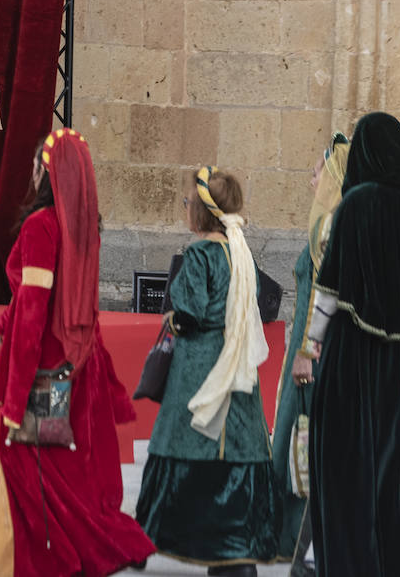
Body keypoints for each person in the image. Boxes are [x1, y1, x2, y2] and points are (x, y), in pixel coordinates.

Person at [0, 129, 154, 576]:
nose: (30, 173)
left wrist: (16, 387)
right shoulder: (85, 229)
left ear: (46, 174)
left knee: (29, 464)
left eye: (35, 166)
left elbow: (33, 308)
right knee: (52, 471)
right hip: (79, 364)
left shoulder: (41, 226)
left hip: (45, 371)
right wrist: (4, 325)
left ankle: (75, 552)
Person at [135, 166, 279, 575]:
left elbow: (190, 311)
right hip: (237, 367)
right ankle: (235, 546)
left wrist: (174, 320)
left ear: (200, 212)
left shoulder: (199, 253)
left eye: (188, 203)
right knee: (237, 448)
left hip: (199, 365)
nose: (185, 209)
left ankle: (147, 539)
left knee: (181, 444)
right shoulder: (240, 251)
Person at [307, 112, 400, 576]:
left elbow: (329, 291)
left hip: (351, 361)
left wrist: (308, 346)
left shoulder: (351, 207)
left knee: (346, 469)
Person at [269, 132, 348, 572]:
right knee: (290, 439)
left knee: (299, 441)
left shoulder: (331, 226)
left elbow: (325, 293)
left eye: (317, 171)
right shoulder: (324, 221)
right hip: (302, 350)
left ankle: (293, 541)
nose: (309, 178)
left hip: (309, 355)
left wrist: (305, 351)